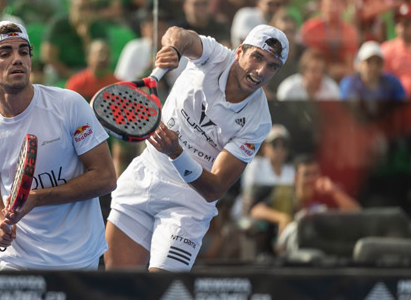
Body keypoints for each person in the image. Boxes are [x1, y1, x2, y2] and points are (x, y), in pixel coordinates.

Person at [104, 24, 290, 272]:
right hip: (144, 175)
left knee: (165, 297)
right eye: (257, 57)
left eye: (272, 66)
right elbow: (180, 35)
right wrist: (172, 48)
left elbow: (214, 189)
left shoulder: (258, 122)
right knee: (118, 287)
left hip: (189, 204)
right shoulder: (214, 55)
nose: (260, 71)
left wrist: (176, 154)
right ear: (239, 52)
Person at [0, 21, 117, 270]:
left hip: (79, 259)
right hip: (17, 260)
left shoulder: (69, 104)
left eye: (23, 52)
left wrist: (37, 198)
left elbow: (106, 178)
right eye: (5, 53)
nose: (17, 59)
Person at [275, 154, 361, 255]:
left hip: (323, 250)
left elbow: (357, 213)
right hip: (292, 253)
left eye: (315, 174)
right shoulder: (286, 195)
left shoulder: (327, 196)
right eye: (306, 174)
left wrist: (333, 191)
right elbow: (257, 209)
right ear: (296, 177)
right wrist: (281, 217)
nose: (311, 179)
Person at [233, 124, 295, 257]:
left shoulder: (291, 170)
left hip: (277, 211)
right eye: (275, 145)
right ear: (265, 147)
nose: (279, 150)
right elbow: (249, 197)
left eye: (283, 146)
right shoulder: (255, 165)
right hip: (252, 211)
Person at [300, 0, 359, 82]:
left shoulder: (350, 31)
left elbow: (349, 67)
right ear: (321, 6)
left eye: (338, 4)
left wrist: (337, 70)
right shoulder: (310, 28)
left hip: (342, 78)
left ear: (344, 7)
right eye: (330, 5)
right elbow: (309, 62)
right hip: (314, 75)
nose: (334, 9)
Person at [339, 41, 407, 101]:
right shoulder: (350, 84)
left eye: (377, 62)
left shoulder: (392, 82)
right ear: (359, 64)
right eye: (368, 62)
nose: (374, 66)